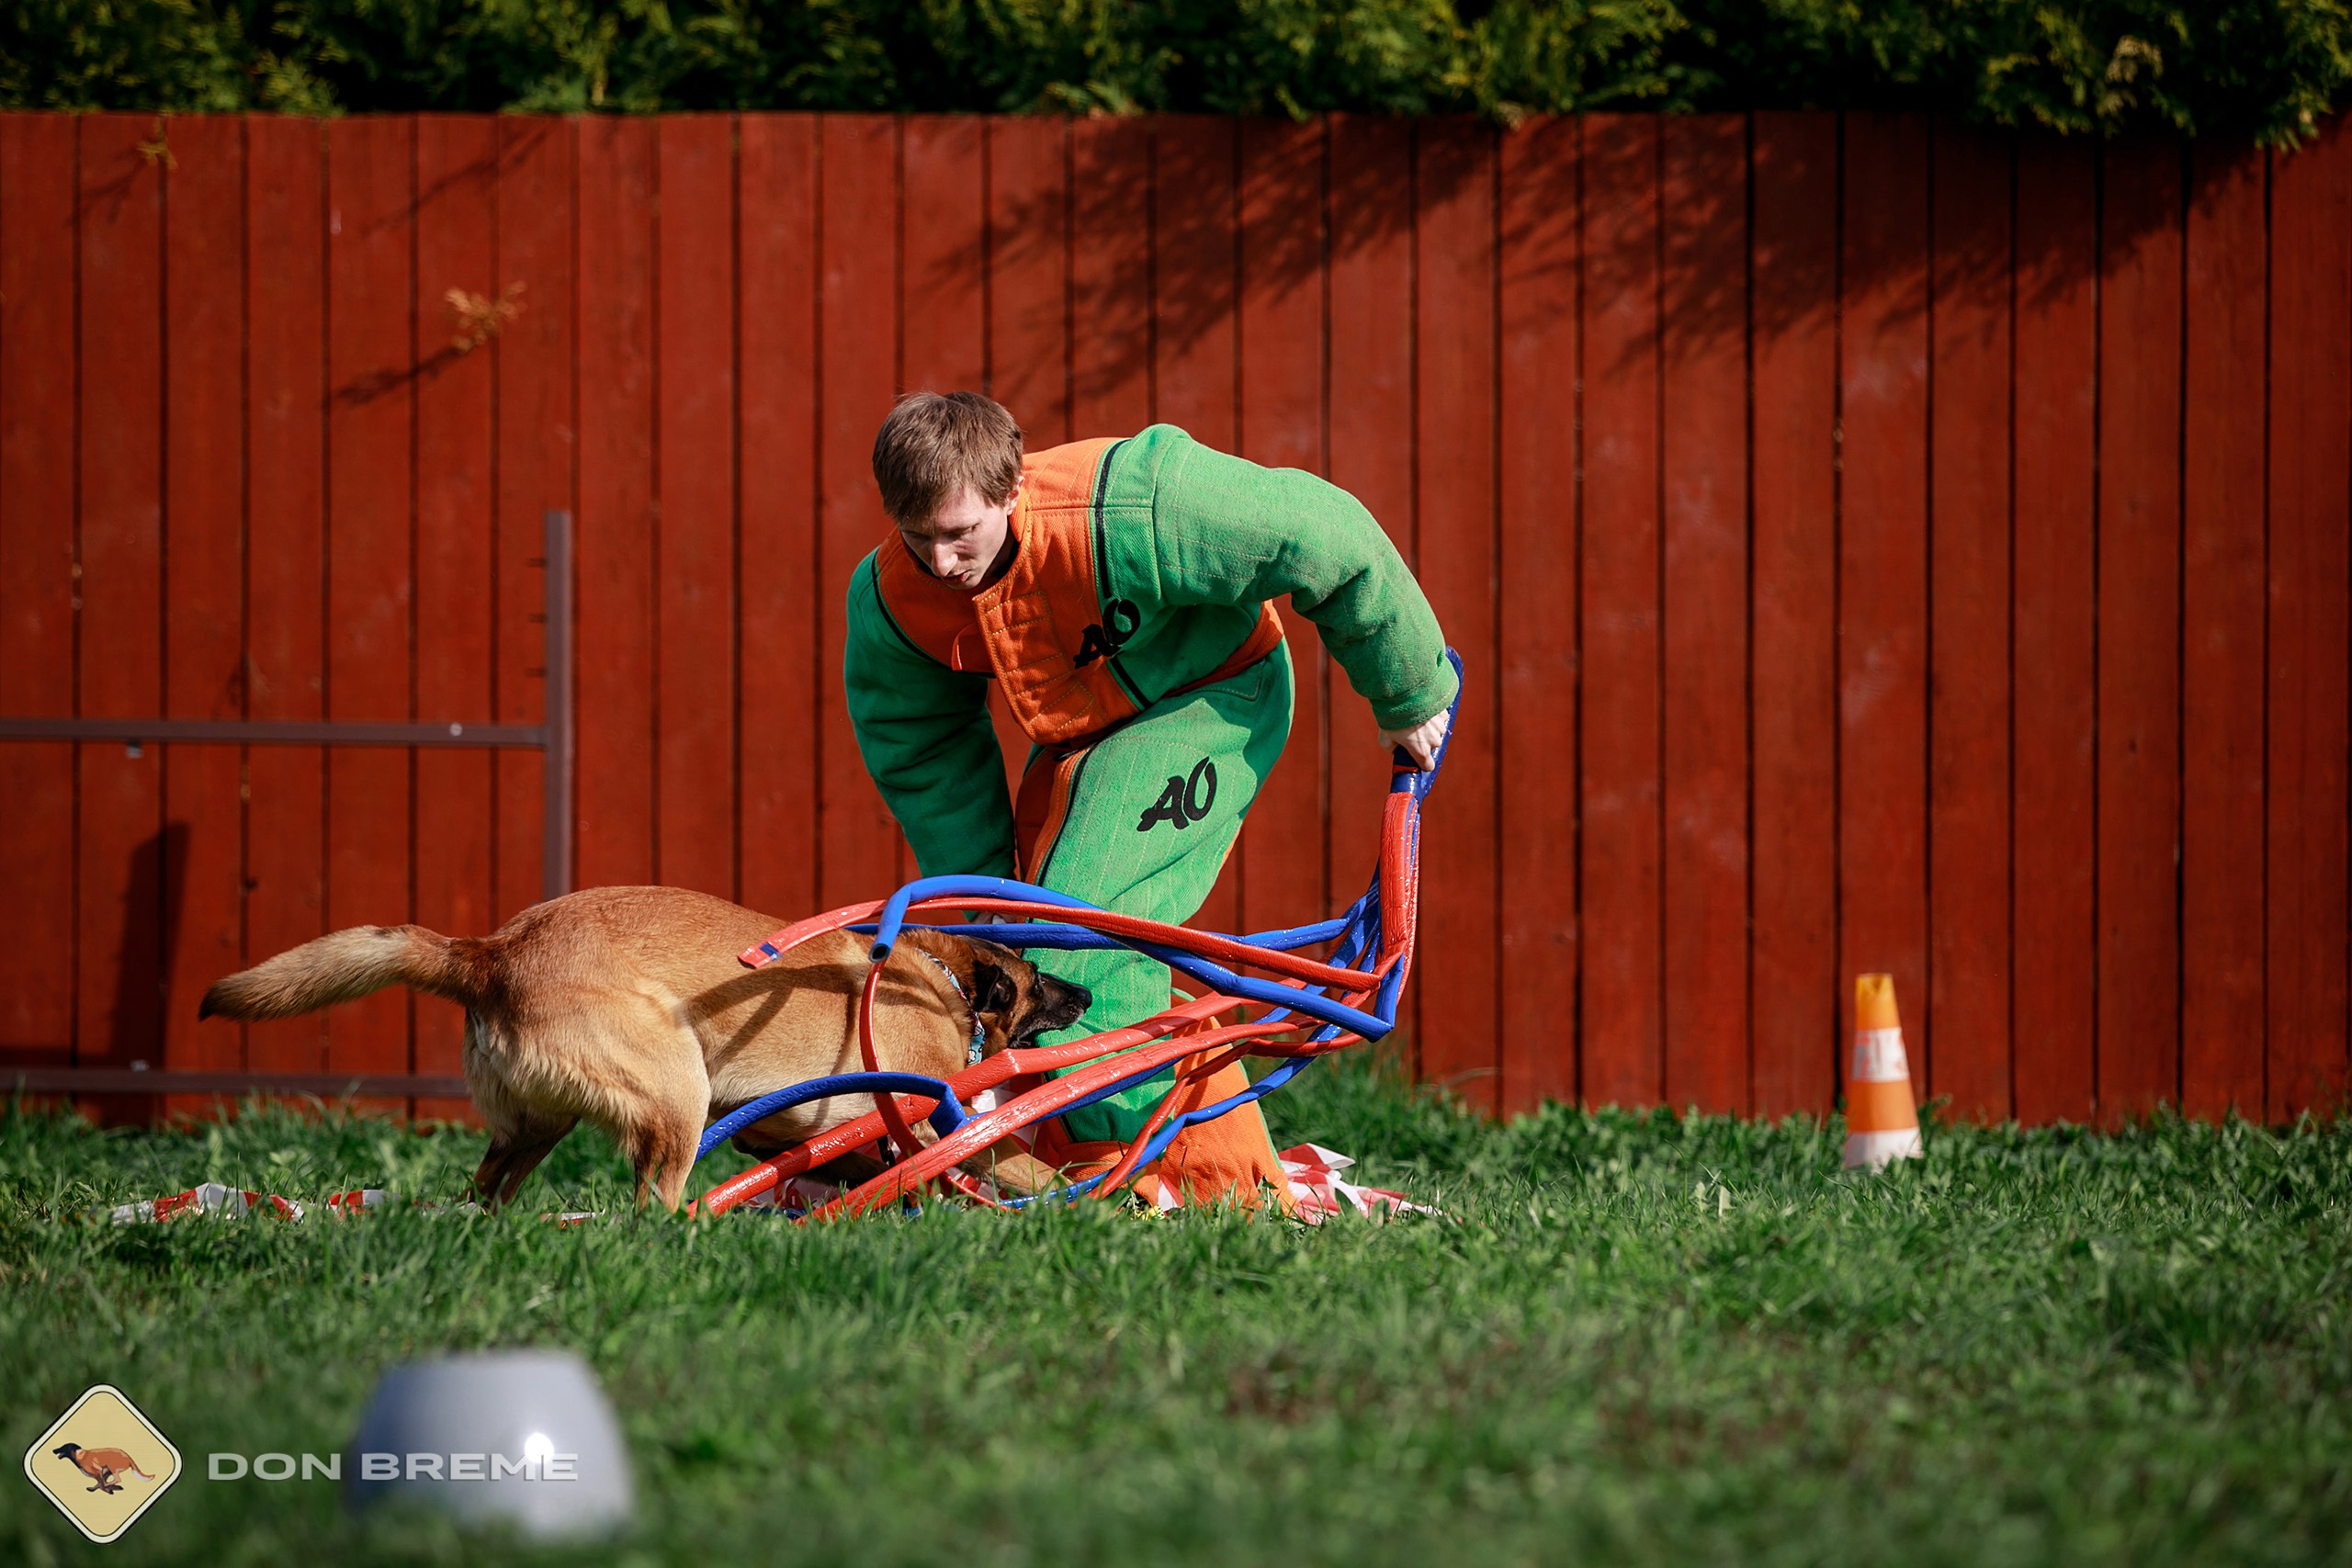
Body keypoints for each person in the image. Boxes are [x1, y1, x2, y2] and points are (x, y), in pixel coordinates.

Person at [842, 391, 1454, 1205]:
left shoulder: (1130, 508)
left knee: (1087, 920)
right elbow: (926, 754)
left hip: (1212, 693)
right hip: (1086, 739)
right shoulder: (896, 600)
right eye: (921, 538)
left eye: (961, 536)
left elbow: (1321, 530)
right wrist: (986, 901)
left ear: (1011, 489)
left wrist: (1411, 691)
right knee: (1033, 931)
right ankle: (1173, 1152)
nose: (944, 562)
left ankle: (1139, 1174)